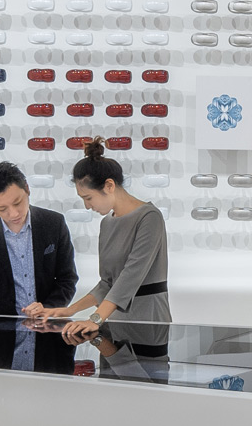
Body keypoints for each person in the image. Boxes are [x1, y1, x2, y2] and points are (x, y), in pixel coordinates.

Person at [41, 141, 170, 341]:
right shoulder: (107, 224)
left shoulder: (149, 217)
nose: (86, 206)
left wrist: (95, 318)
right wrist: (70, 310)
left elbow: (131, 275)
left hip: (148, 318)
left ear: (109, 186)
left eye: (88, 198)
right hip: (112, 319)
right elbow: (107, 283)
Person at [0, 161, 79, 321]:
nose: (13, 214)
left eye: (17, 203)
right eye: (2, 209)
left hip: (47, 329)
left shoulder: (54, 223)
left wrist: (49, 308)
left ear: (27, 188)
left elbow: (67, 278)